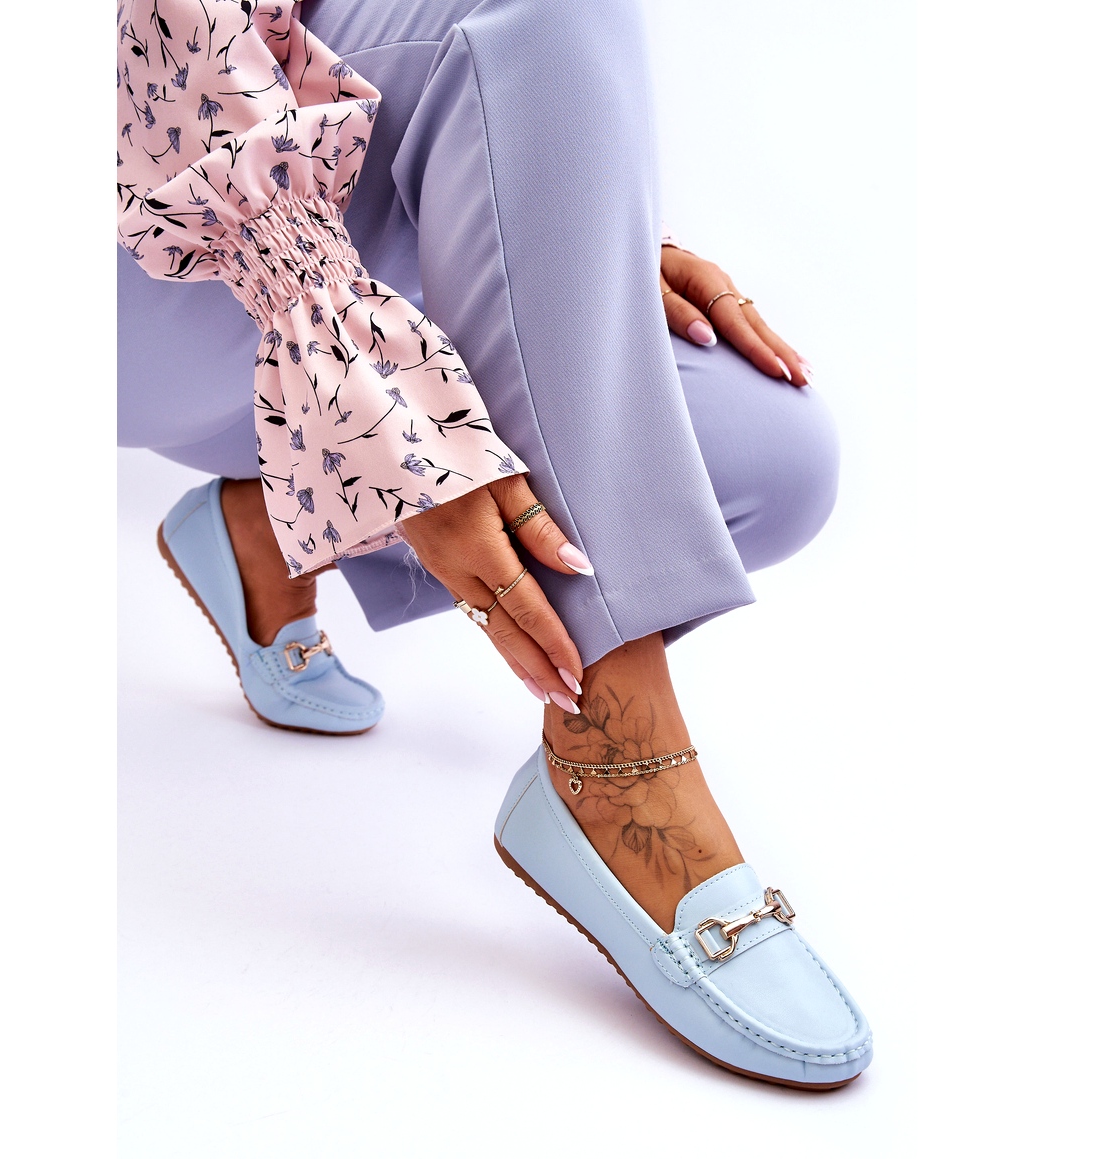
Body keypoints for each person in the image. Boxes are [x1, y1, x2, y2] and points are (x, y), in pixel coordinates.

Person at [118, 0, 872, 1087]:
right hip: (151, 217)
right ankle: (613, 755)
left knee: (769, 461)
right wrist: (365, 391)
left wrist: (587, 234)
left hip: (311, 175)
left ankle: (270, 528)